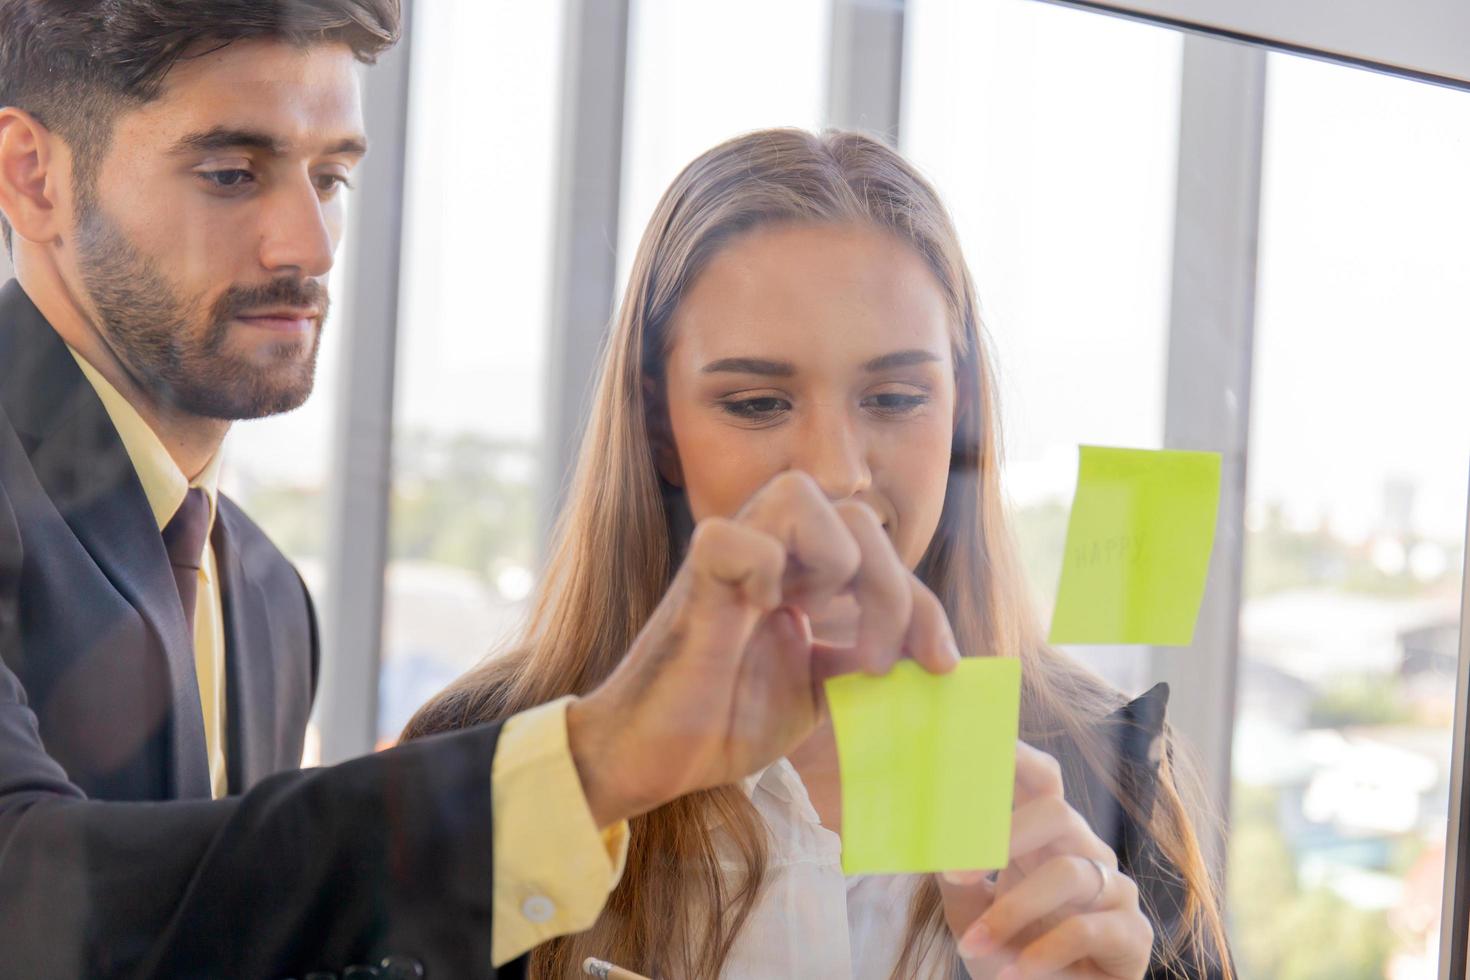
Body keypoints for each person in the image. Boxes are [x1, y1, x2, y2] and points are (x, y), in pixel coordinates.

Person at [0, 5, 959, 977]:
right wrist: (592, 762)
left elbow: (236, 933)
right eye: (231, 174)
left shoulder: (262, 592)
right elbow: (21, 887)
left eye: (330, 177)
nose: (311, 244)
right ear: (33, 176)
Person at [404, 128, 1237, 979]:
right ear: (658, 429)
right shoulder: (485, 760)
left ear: (960, 412)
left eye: (897, 397)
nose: (837, 474)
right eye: (759, 403)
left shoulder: (1105, 777)